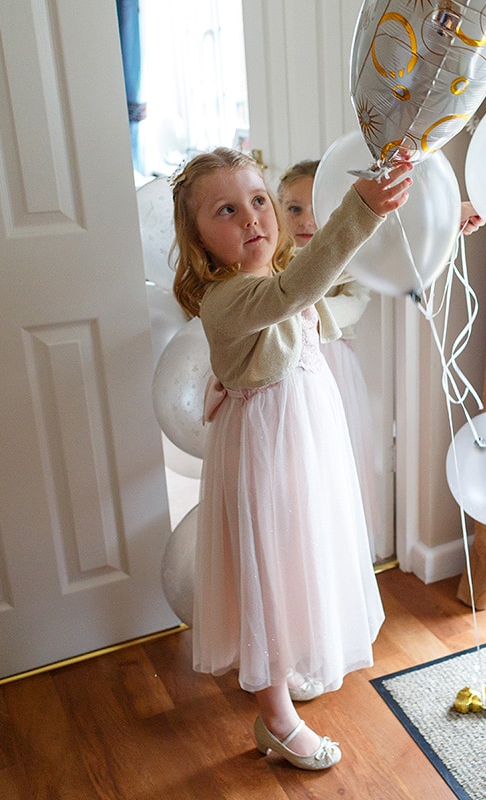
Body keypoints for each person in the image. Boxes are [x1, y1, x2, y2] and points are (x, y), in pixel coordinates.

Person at [169, 147, 412, 771]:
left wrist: (446, 212)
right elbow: (299, 286)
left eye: (258, 200)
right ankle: (276, 718)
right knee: (268, 577)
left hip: (302, 446)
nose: (253, 217)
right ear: (199, 241)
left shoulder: (273, 274)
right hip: (265, 455)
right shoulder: (231, 298)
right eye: (227, 210)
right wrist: (360, 208)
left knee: (299, 560)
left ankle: (288, 675)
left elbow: (324, 274)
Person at [276, 161, 486, 566]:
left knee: (337, 460)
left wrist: (446, 218)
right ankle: (298, 550)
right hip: (283, 371)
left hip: (332, 367)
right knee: (294, 468)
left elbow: (355, 298)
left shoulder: (350, 250)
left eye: (316, 207)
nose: (305, 220)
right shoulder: (274, 258)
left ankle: (337, 552)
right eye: (293, 208)